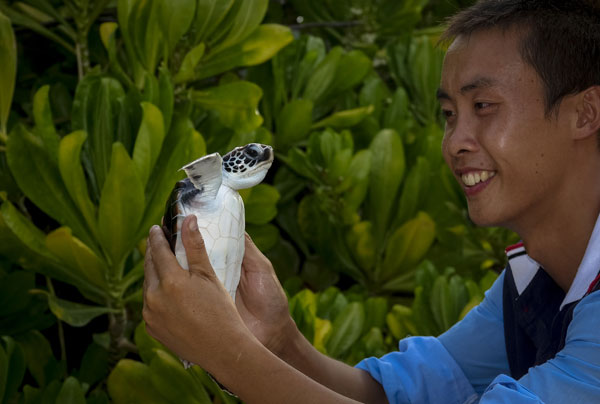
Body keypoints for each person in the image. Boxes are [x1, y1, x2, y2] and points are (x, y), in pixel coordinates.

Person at [142, 0, 600, 402]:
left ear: (585, 113)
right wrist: (278, 340)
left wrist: (229, 354)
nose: (455, 141)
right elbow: (401, 393)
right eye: (447, 115)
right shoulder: (530, 281)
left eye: (483, 106)